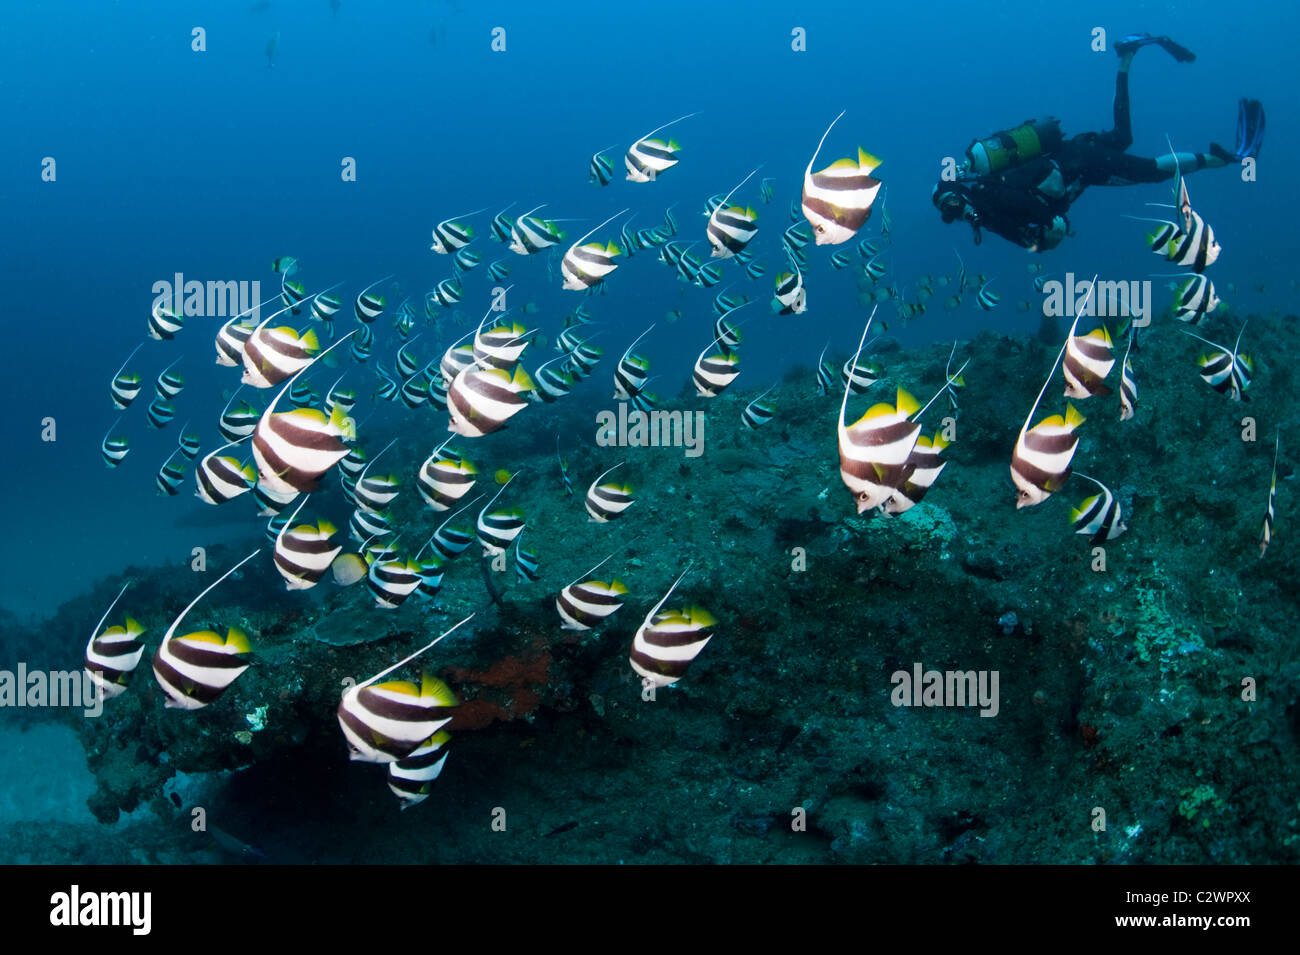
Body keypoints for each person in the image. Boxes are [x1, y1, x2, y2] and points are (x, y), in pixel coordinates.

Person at [932, 34, 1265, 252]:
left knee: (1154, 171)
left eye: (951, 204)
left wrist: (1049, 227)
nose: (956, 213)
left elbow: (1031, 212)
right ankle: (1126, 56)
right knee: (1123, 137)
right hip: (1074, 155)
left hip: (1081, 166)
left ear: (959, 192)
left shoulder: (987, 194)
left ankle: (1225, 158)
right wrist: (1042, 239)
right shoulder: (985, 207)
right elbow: (1023, 231)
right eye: (950, 210)